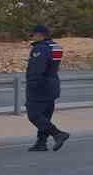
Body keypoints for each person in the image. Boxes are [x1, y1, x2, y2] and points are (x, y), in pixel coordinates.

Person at [24, 24, 70, 152]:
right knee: (45, 115)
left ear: (40, 35)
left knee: (34, 115)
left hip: (40, 86)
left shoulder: (40, 49)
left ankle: (57, 134)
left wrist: (32, 85)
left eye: (33, 35)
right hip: (53, 84)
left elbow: (37, 69)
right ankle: (41, 142)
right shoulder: (55, 47)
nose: (32, 38)